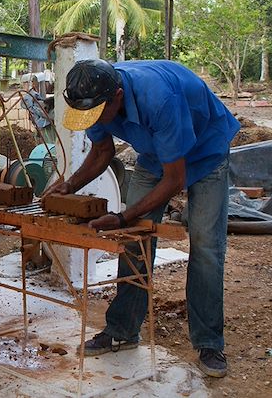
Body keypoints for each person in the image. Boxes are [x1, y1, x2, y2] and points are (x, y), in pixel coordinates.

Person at [44, 59, 239, 378]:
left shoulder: (158, 98)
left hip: (207, 151)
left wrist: (122, 217)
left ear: (118, 96)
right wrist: (67, 186)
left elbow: (175, 179)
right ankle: (122, 330)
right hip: (155, 154)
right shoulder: (93, 94)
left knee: (205, 248)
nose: (92, 120)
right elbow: (102, 152)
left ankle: (209, 343)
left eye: (97, 114)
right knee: (134, 241)